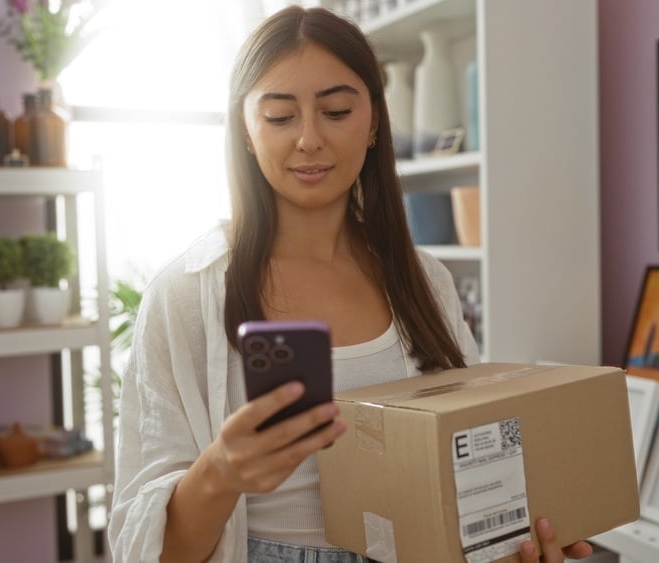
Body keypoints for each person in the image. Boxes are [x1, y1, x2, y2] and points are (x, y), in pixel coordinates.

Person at [108, 6, 594, 563]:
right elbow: (146, 549)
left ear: (374, 123)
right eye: (279, 117)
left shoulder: (424, 282)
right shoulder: (185, 294)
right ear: (244, 130)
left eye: (336, 110)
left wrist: (510, 542)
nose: (310, 140)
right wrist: (220, 472)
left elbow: (472, 472)